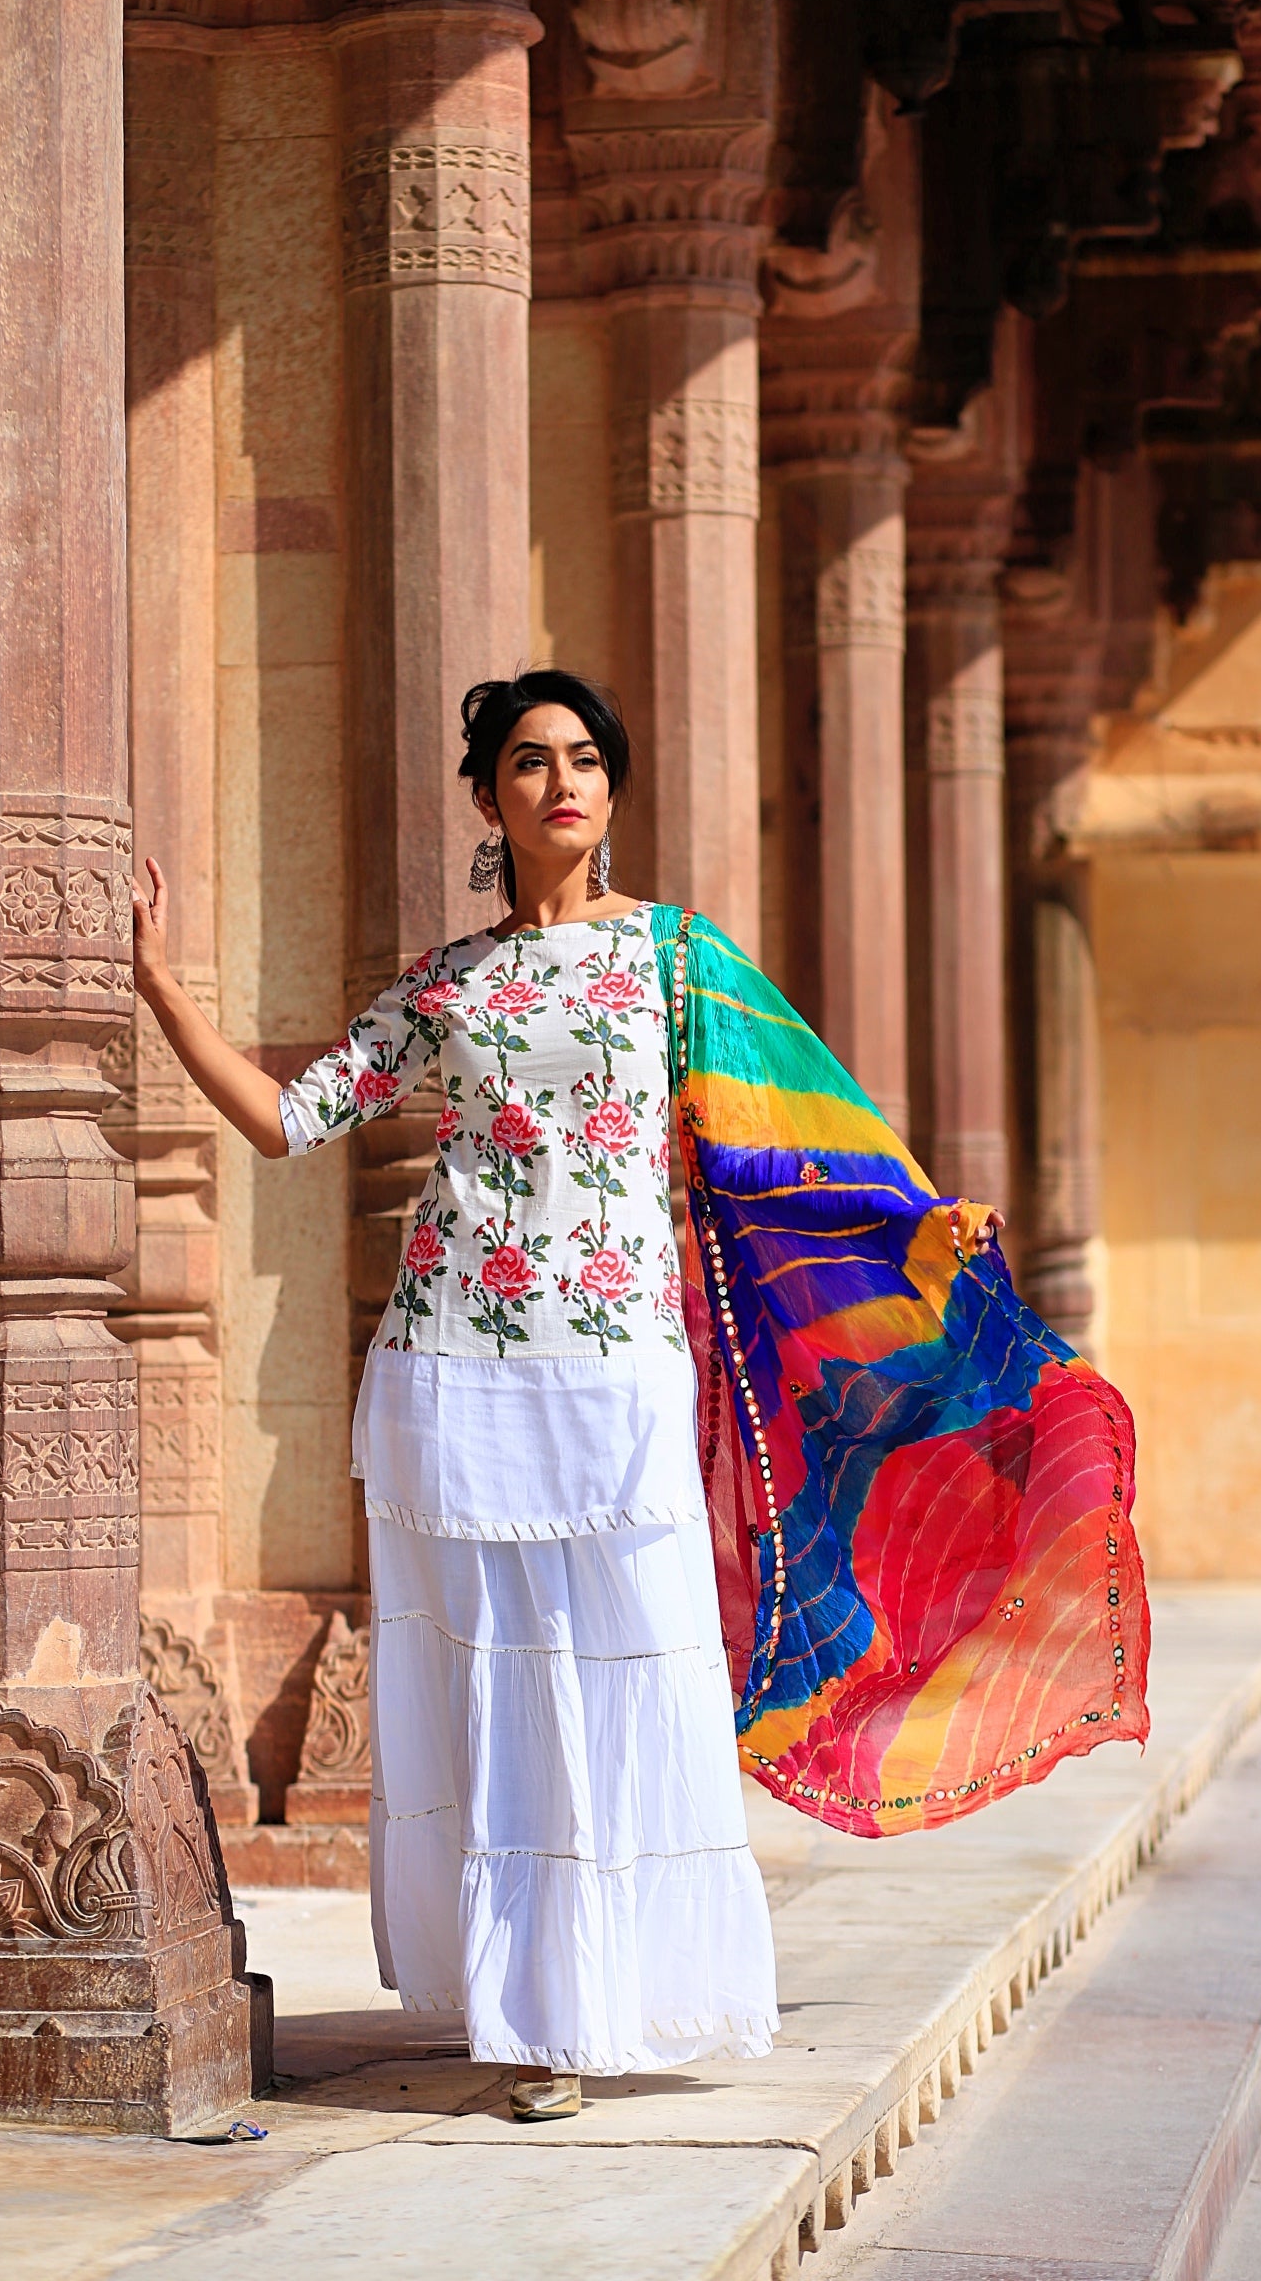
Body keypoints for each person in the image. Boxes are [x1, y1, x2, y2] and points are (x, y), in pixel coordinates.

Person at [130, 669, 1149, 2123]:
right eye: (532, 763)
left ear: (612, 792)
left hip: (611, 1370)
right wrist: (161, 981)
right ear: (487, 797)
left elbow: (793, 1137)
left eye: (588, 762)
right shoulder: (450, 983)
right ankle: (528, 2014)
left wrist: (911, 1225)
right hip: (450, 1366)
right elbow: (290, 1117)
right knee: (491, 1692)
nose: (563, 784)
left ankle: (614, 1997)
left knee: (629, 1677)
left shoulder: (678, 961)